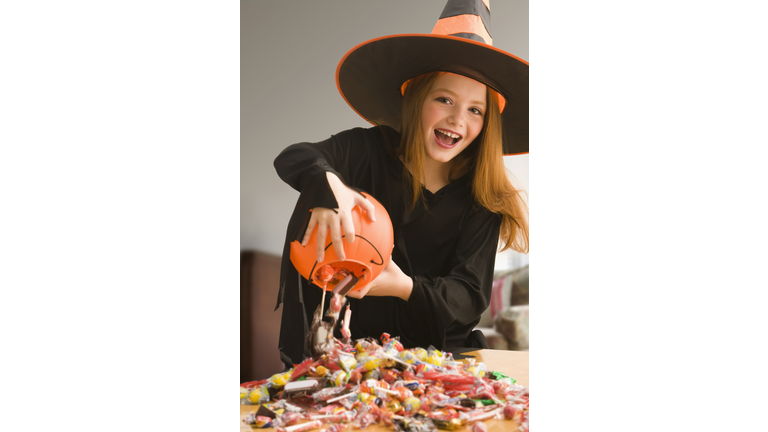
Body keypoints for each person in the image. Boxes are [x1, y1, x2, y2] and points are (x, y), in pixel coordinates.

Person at [272, 0, 529, 369]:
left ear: (487, 123)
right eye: (445, 100)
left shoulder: (483, 198)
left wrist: (402, 285)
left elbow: (468, 295)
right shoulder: (366, 149)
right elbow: (295, 157)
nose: (458, 119)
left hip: (440, 360)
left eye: (475, 109)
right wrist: (327, 184)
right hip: (348, 356)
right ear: (416, 99)